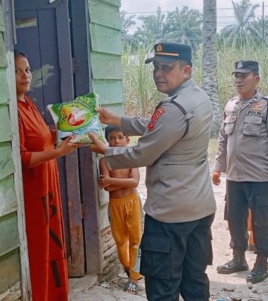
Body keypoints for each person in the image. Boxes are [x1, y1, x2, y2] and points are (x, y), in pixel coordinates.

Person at [88, 42, 216, 301]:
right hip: (199, 208)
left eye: (167, 68)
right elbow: (159, 126)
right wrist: (117, 121)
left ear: (186, 71)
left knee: (162, 289)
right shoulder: (199, 98)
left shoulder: (174, 107)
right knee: (194, 282)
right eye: (156, 67)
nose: (158, 73)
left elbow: (142, 153)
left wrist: (106, 151)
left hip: (170, 214)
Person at [15, 50, 80, 301]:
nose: (25, 76)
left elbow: (42, 138)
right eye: (18, 71)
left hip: (48, 184)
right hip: (34, 192)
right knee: (40, 247)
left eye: (28, 69)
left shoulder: (28, 103)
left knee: (54, 243)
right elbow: (22, 157)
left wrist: (65, 133)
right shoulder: (14, 111)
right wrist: (58, 152)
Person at [212, 60, 268, 284]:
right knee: (234, 218)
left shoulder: (267, 105)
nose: (239, 80)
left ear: (256, 79)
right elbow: (223, 139)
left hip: (259, 177)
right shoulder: (231, 105)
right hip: (234, 176)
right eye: (236, 75)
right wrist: (217, 166)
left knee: (262, 220)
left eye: (244, 75)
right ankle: (238, 258)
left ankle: (262, 262)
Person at [98, 125, 143, 294]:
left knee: (136, 239)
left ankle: (134, 277)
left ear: (127, 140)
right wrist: (111, 182)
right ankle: (128, 267)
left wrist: (111, 180)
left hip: (132, 202)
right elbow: (107, 188)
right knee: (119, 240)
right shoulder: (104, 161)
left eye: (120, 137)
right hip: (115, 204)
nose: (116, 141)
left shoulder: (132, 159)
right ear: (106, 141)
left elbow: (135, 182)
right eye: (111, 138)